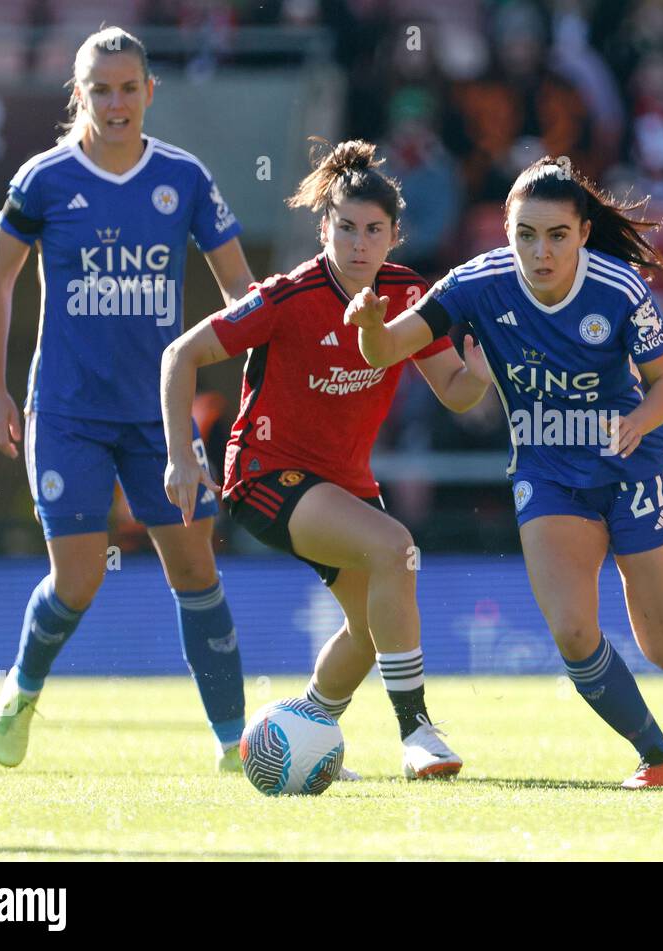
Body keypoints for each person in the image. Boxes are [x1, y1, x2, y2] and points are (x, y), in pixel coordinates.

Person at [348, 156, 663, 789]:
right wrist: (369, 327)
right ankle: (656, 755)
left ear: (583, 233)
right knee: (574, 630)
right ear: (506, 231)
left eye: (557, 235)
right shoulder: (476, 283)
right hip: (549, 472)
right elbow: (387, 348)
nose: (540, 250)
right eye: (525, 234)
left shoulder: (618, 288)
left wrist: (639, 419)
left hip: (634, 468)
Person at [162, 140, 491, 780]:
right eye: (345, 228)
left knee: (371, 633)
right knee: (397, 547)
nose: (358, 243)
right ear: (325, 229)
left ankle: (299, 730)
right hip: (262, 478)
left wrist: (477, 376)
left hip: (344, 487)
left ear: (396, 236)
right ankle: (415, 730)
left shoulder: (407, 294)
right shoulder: (287, 296)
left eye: (373, 230)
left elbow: (454, 391)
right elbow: (180, 356)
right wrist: (180, 455)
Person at [0, 27, 255, 771]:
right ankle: (22, 688)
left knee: (195, 567)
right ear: (80, 95)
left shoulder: (184, 179)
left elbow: (240, 292)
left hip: (157, 415)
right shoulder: (43, 180)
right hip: (66, 409)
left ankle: (234, 745)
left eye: (129, 87)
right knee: (80, 574)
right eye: (100, 89)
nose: (116, 101)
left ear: (149, 92)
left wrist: (254, 366)